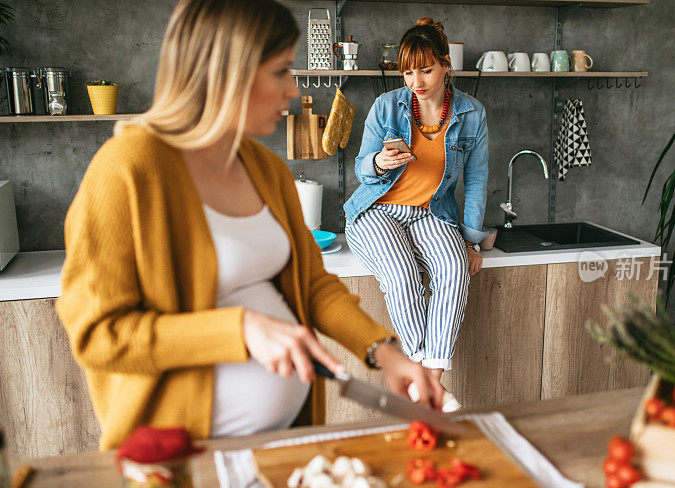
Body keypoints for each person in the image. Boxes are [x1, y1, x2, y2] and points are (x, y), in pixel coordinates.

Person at [55, 0, 444, 451]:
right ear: (228, 72)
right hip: (181, 459)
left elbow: (314, 284)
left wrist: (386, 354)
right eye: (281, 71)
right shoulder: (128, 168)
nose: (294, 91)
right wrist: (240, 329)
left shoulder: (265, 168)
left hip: (282, 444)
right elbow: (98, 336)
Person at [344, 18, 489, 410]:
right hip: (378, 207)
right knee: (403, 272)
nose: (416, 81)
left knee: (455, 268)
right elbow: (360, 167)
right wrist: (379, 161)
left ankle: (429, 383)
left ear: (445, 65)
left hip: (431, 211)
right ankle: (429, 387)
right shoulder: (386, 107)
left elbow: (475, 182)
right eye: (408, 71)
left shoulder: (471, 114)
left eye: (426, 69)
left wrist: (472, 242)